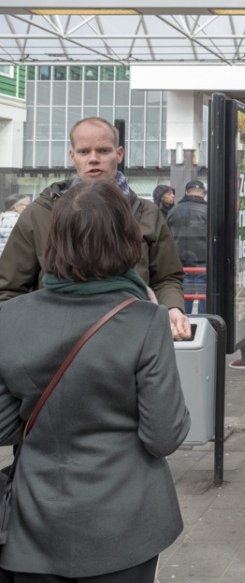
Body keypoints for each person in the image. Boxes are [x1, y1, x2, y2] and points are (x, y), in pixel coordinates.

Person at [0, 179, 191, 582]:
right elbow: (164, 435)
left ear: (54, 240)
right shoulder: (146, 321)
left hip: (35, 523)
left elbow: (3, 426)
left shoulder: (9, 318)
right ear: (126, 241)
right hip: (127, 524)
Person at [0, 117, 190, 341]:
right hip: (55, 349)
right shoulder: (39, 214)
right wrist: (34, 338)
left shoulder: (147, 214)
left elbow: (166, 278)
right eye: (84, 152)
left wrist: (172, 308)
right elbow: (9, 290)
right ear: (72, 157)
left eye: (102, 150)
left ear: (119, 154)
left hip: (131, 341)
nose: (93, 159)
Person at [166, 179, 208, 314]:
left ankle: (184, 324)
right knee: (205, 297)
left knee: (183, 298)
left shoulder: (173, 211)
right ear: (203, 193)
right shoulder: (208, 211)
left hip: (180, 263)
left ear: (186, 192)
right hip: (203, 262)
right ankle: (205, 323)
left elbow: (167, 236)